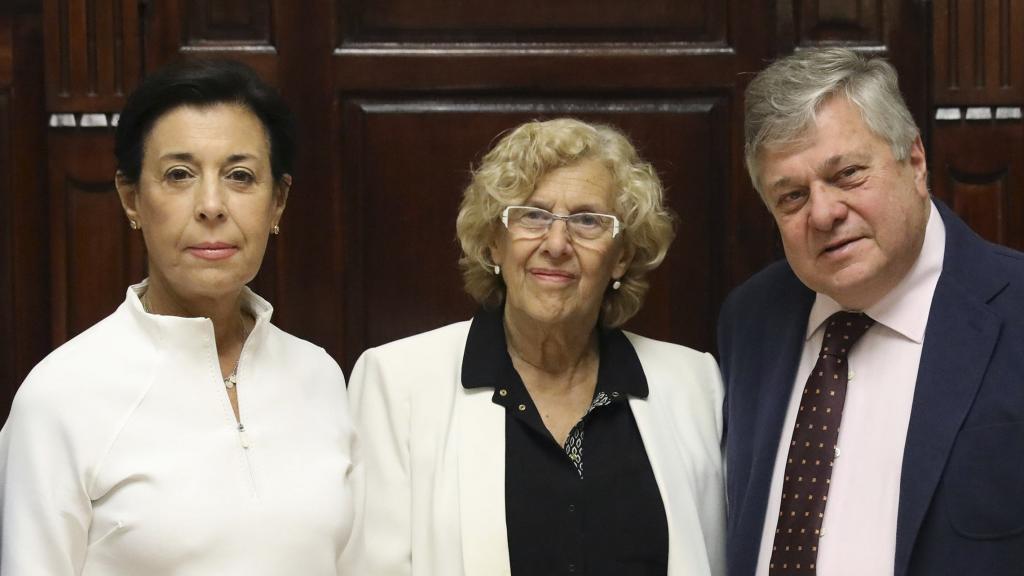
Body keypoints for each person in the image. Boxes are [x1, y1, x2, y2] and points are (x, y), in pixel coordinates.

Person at [0, 59, 355, 575]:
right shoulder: (61, 397)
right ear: (131, 199)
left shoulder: (319, 375)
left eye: (240, 176)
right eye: (179, 175)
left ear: (277, 202)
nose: (211, 205)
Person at [340, 118, 725, 575]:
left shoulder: (693, 384)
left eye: (587, 220)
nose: (556, 244)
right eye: (533, 216)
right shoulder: (397, 382)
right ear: (495, 243)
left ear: (621, 256)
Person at [718, 47, 1024, 576]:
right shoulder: (750, 319)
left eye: (848, 174)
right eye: (792, 196)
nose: (823, 213)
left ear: (915, 161)